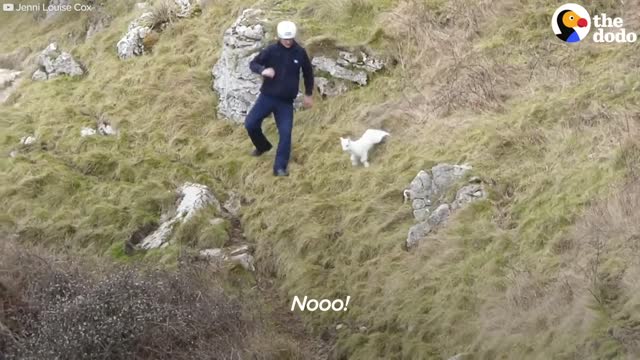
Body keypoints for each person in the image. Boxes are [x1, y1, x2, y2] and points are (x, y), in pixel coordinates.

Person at [245, 20, 314, 177]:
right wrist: (263, 70)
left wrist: (308, 94)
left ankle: (280, 168)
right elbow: (253, 64)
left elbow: (308, 73)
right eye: (285, 39)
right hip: (267, 97)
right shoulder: (271, 50)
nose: (288, 42)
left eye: (290, 39)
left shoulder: (300, 52)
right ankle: (263, 146)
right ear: (280, 37)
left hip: (286, 102)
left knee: (285, 133)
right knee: (250, 124)